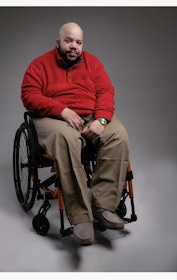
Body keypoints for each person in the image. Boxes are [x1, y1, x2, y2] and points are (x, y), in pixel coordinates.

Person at [21, 22, 129, 246]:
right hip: (52, 119)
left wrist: (100, 119)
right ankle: (81, 218)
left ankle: (104, 206)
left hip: (90, 116)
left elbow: (106, 91)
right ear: (58, 42)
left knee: (117, 133)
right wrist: (61, 109)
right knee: (66, 138)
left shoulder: (93, 63)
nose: (73, 46)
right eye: (69, 41)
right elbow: (29, 95)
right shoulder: (39, 65)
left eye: (78, 42)